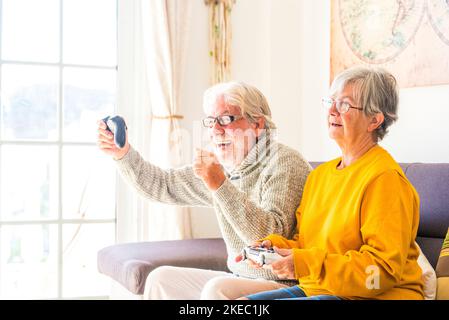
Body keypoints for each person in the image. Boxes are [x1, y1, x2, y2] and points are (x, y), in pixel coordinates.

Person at [97, 81, 312, 299]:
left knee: (216, 289)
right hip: (240, 278)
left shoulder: (284, 162)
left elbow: (270, 237)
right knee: (161, 279)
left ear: (257, 125)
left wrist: (219, 184)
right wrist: (122, 154)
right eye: (210, 121)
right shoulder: (225, 167)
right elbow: (163, 185)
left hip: (282, 284)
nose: (215, 130)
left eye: (226, 119)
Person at [238, 66, 425, 300]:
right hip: (321, 289)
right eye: (331, 102)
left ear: (374, 120)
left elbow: (380, 272)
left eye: (345, 104)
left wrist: (306, 264)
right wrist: (274, 248)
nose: (332, 111)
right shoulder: (320, 175)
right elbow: (307, 244)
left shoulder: (384, 179)